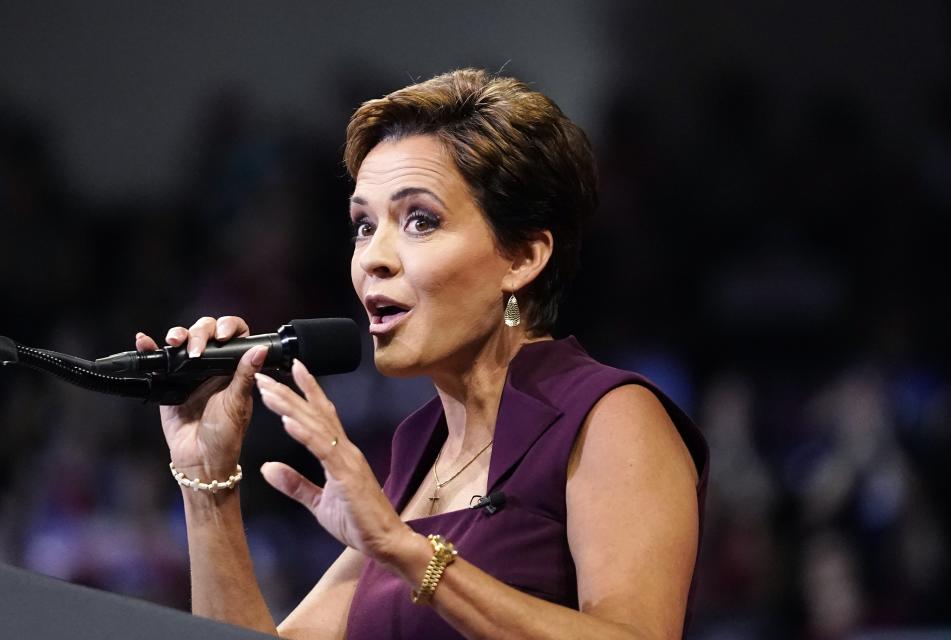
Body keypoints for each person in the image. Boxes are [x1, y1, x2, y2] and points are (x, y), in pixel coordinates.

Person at [134, 68, 708, 640]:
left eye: (420, 220)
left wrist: (409, 553)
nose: (372, 258)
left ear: (523, 258)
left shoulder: (609, 418)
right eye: (363, 226)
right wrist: (206, 482)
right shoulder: (418, 450)